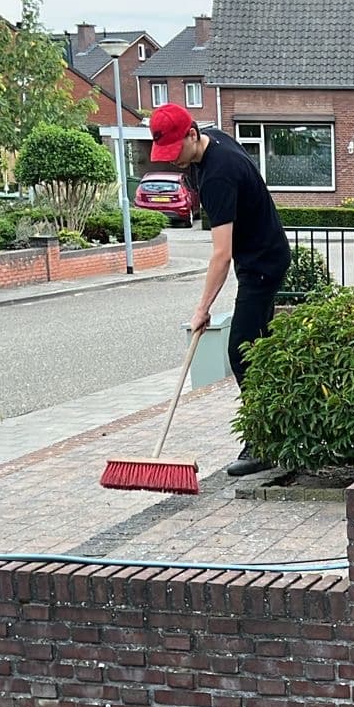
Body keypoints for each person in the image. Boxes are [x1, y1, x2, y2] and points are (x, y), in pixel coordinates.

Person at [148, 102, 292, 477]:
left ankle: (263, 442)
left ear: (192, 135)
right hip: (261, 255)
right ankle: (277, 430)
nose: (173, 160)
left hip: (262, 263)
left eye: (176, 151)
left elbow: (221, 255)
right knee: (258, 348)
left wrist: (202, 308)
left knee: (241, 348)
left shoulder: (218, 176)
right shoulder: (212, 142)